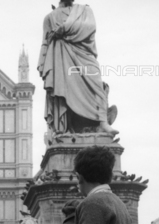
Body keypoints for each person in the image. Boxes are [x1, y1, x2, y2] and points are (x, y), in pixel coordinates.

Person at [38, 0, 118, 135]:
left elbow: (90, 27)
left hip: (84, 54)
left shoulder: (85, 10)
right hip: (61, 57)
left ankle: (103, 122)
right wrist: (42, 62)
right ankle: (64, 128)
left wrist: (64, 29)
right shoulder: (49, 18)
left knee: (97, 83)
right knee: (62, 89)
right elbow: (45, 42)